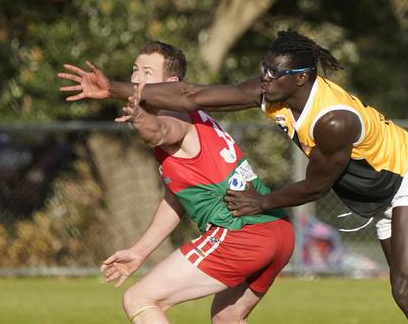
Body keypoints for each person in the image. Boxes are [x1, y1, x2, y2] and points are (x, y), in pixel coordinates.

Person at [59, 30, 408, 323]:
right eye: (263, 70)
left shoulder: (333, 118)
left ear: (302, 78)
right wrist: (114, 89)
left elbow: (317, 187)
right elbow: (191, 95)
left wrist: (261, 202)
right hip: (376, 185)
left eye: (274, 74)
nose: (265, 79)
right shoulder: (275, 90)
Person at [63, 41, 294, 324]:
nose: (136, 78)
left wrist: (139, 117)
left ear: (171, 83)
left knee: (139, 299)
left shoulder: (173, 114)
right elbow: (176, 198)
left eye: (147, 72)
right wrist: (139, 252)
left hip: (241, 234)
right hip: (277, 231)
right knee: (227, 318)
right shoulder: (195, 115)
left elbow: (160, 132)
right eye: (135, 70)